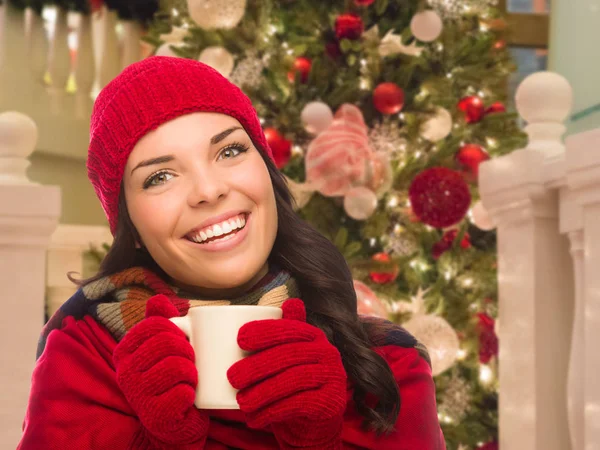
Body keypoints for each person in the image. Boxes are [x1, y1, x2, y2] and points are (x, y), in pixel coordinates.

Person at [18, 56, 446, 450]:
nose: (208, 190)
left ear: (267, 174)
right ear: (131, 229)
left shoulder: (389, 362)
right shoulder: (84, 355)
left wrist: (320, 441)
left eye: (230, 150)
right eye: (160, 176)